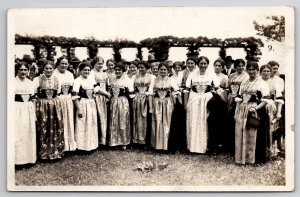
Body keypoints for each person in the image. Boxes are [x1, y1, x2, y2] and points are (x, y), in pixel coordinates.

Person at [234, 61, 269, 165]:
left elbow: (265, 100)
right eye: (249, 69)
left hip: (255, 111)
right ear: (247, 70)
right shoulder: (244, 82)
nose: (251, 71)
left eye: (253, 69)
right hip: (242, 110)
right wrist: (236, 112)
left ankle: (254, 159)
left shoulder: (262, 83)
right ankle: (241, 159)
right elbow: (239, 98)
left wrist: (255, 108)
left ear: (257, 71)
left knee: (253, 133)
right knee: (240, 132)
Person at [184, 56, 220, 154]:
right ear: (198, 64)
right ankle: (193, 147)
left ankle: (206, 146)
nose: (203, 65)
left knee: (205, 122)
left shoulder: (212, 75)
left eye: (205, 63)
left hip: (206, 100)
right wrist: (185, 104)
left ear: (207, 65)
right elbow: (186, 90)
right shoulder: (192, 74)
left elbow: (218, 89)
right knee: (194, 121)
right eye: (201, 63)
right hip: (194, 100)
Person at [33, 60, 64, 160]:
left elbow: (58, 92)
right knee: (43, 127)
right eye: (46, 68)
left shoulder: (57, 79)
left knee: (55, 126)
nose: (48, 70)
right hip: (42, 105)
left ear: (53, 69)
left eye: (50, 68)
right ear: (43, 69)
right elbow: (34, 94)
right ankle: (43, 153)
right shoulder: (37, 79)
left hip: (55, 105)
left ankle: (55, 152)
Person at [148, 62, 180, 151]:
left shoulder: (171, 80)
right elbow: (150, 94)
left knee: (166, 123)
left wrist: (174, 104)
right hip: (157, 103)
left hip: (167, 103)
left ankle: (166, 145)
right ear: (158, 70)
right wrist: (151, 107)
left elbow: (175, 92)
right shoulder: (154, 80)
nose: (163, 71)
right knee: (157, 122)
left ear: (167, 70)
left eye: (164, 69)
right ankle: (157, 146)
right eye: (161, 69)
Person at [72, 61, 100, 151]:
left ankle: (91, 145)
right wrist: (79, 109)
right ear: (80, 70)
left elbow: (97, 89)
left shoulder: (91, 80)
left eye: (88, 70)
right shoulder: (77, 81)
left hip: (91, 103)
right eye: (84, 70)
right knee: (82, 124)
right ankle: (81, 146)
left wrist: (107, 94)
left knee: (91, 123)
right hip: (83, 104)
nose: (87, 72)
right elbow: (75, 97)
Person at [108, 62, 135, 149]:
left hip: (123, 101)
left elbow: (131, 93)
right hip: (114, 101)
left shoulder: (127, 80)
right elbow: (110, 92)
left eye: (119, 70)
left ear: (123, 71)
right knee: (114, 120)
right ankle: (114, 141)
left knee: (123, 120)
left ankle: (124, 142)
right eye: (116, 70)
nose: (117, 71)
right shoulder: (113, 79)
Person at [260, 64, 284, 159]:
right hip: (260, 106)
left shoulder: (275, 83)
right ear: (260, 72)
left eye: (268, 71)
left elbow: (279, 98)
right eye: (264, 71)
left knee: (271, 129)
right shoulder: (258, 81)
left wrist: (278, 112)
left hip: (271, 107)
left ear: (270, 72)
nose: (266, 73)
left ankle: (271, 152)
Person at [15, 62, 37, 165]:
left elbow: (33, 98)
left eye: (25, 70)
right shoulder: (12, 82)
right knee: (18, 133)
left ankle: (28, 159)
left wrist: (34, 111)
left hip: (28, 109)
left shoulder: (30, 83)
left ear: (28, 71)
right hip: (16, 108)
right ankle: (18, 160)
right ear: (17, 70)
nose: (23, 72)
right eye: (21, 70)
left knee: (28, 132)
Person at [53, 57, 77, 152]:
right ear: (58, 64)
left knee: (69, 120)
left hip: (68, 99)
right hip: (59, 99)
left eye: (65, 64)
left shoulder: (70, 74)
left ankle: (69, 145)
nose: (64, 65)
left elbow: (72, 89)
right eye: (62, 63)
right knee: (59, 120)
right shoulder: (54, 74)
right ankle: (60, 145)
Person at [226, 58, 249, 155]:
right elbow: (228, 88)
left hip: (241, 100)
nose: (241, 67)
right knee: (230, 121)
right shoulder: (231, 75)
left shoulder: (246, 76)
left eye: (242, 65)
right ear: (235, 67)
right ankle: (230, 146)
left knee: (239, 122)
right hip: (231, 99)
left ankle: (239, 147)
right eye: (239, 66)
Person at [207, 58, 229, 153]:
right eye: (215, 65)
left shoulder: (225, 77)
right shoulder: (210, 76)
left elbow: (227, 90)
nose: (217, 67)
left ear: (222, 67)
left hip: (221, 102)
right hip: (211, 101)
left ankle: (220, 144)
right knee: (211, 122)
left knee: (220, 123)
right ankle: (211, 144)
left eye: (219, 66)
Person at [132, 61, 155, 145]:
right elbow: (131, 88)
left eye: (142, 67)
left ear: (147, 68)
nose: (140, 69)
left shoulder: (152, 77)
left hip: (147, 98)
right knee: (136, 118)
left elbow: (151, 90)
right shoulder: (135, 76)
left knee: (145, 117)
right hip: (137, 99)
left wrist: (147, 95)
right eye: (139, 67)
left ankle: (145, 140)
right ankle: (136, 139)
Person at [90, 56, 111, 146]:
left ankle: (104, 139)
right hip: (96, 97)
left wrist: (107, 95)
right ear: (94, 64)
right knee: (98, 118)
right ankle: (97, 140)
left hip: (105, 98)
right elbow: (95, 87)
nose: (101, 65)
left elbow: (108, 85)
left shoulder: (105, 73)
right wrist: (106, 94)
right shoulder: (91, 73)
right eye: (99, 63)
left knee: (105, 117)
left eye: (102, 63)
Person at [169, 61, 186, 152]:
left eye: (179, 67)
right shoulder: (171, 78)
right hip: (174, 99)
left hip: (184, 97)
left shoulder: (184, 76)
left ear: (182, 67)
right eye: (175, 67)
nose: (177, 68)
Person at [267, 60, 285, 153]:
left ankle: (277, 147)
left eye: (277, 68)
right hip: (266, 104)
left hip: (276, 104)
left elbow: (279, 94)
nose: (275, 70)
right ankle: (268, 147)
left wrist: (278, 110)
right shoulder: (264, 78)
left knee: (277, 126)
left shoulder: (279, 80)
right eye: (273, 68)